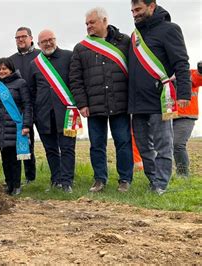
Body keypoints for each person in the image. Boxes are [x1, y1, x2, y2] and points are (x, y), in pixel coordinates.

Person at [128, 0, 191, 194]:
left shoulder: (170, 29)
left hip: (160, 98)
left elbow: (181, 63)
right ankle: (153, 179)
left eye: (138, 9)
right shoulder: (134, 36)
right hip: (137, 102)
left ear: (152, 6)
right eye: (132, 10)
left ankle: (161, 184)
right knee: (143, 145)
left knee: (163, 143)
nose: (134, 14)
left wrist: (184, 94)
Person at [69, 7, 133, 193]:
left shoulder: (124, 42)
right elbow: (76, 79)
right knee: (97, 145)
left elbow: (133, 71)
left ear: (104, 21)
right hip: (94, 106)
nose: (88, 26)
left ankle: (125, 180)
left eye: (92, 22)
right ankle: (99, 180)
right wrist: (82, 103)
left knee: (123, 141)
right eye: (86, 23)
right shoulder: (81, 48)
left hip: (120, 103)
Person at [29, 29, 78, 193]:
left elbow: (75, 82)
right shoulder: (34, 64)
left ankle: (67, 182)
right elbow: (32, 90)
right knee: (50, 150)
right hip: (43, 114)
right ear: (38, 45)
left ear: (56, 40)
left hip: (66, 113)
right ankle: (56, 179)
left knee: (67, 148)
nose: (48, 43)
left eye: (51, 39)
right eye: (44, 41)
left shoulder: (68, 56)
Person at [0, 57, 32, 196]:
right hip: (0, 127)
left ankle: (16, 185)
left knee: (15, 159)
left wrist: (27, 125)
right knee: (5, 158)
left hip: (15, 126)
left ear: (10, 69)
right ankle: (9, 184)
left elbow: (27, 105)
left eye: (4, 68)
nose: (2, 71)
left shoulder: (20, 83)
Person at [9, 26, 39, 185]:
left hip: (40, 105)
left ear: (31, 38)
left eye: (23, 36)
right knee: (25, 142)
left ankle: (59, 177)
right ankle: (29, 177)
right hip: (20, 109)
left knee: (50, 143)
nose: (20, 40)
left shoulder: (40, 56)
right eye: (17, 37)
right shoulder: (11, 60)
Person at [173, 62, 202, 177]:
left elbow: (197, 78)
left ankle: (183, 175)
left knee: (178, 144)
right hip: (168, 115)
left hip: (186, 116)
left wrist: (200, 70)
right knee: (164, 146)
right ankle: (165, 175)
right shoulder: (164, 74)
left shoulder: (190, 73)